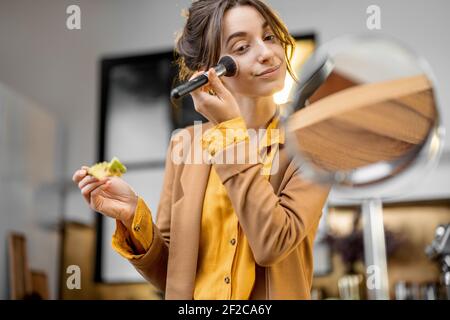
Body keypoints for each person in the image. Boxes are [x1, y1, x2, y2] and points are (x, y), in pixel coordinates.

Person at [72, 0, 330, 300]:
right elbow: (172, 276)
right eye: (242, 48)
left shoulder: (312, 141)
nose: (266, 53)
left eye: (269, 37)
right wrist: (133, 217)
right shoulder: (183, 145)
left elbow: (272, 243)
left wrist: (230, 132)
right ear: (208, 72)